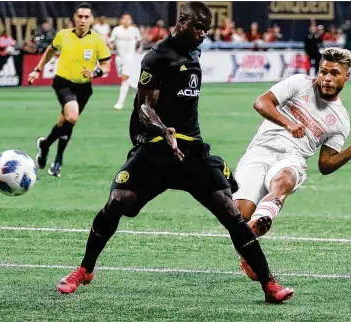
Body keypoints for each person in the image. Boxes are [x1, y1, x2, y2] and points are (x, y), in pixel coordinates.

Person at [56, 1, 293, 304]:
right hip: (156, 147)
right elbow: (143, 107)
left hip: (191, 150)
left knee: (228, 210)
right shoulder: (157, 57)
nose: (202, 35)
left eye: (206, 30)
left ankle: (269, 285)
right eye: (198, 28)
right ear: (182, 22)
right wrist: (162, 130)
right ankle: (84, 269)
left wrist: (181, 138)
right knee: (119, 202)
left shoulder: (194, 51)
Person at [232, 48, 351, 279]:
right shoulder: (300, 83)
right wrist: (288, 123)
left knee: (286, 178)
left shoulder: (340, 120)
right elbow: (261, 103)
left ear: (347, 76)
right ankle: (248, 247)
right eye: (323, 72)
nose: (327, 79)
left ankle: (265, 218)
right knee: (240, 215)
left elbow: (325, 164)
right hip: (259, 151)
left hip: (293, 157)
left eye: (334, 73)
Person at [28, 3, 111, 177]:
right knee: (72, 116)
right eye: (79, 16)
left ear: (92, 20)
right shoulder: (63, 35)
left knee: (65, 122)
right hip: (63, 82)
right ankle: (58, 159)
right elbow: (50, 51)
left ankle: (45, 145)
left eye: (86, 17)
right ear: (74, 18)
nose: (82, 20)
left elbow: (106, 65)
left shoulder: (97, 40)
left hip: (84, 87)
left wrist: (95, 72)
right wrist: (37, 69)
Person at [109, 13, 142, 110]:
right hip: (119, 58)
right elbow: (111, 42)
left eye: (128, 19)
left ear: (131, 20)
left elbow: (139, 41)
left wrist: (137, 53)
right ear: (121, 20)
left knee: (125, 80)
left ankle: (120, 103)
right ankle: (138, 103)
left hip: (131, 59)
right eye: (125, 19)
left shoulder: (135, 30)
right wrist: (111, 46)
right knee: (132, 82)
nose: (126, 21)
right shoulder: (116, 30)